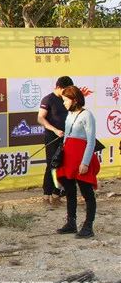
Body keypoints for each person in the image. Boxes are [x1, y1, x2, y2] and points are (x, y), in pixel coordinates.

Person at [55, 85, 101, 238]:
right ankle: (71, 222)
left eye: (66, 100)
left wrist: (85, 162)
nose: (64, 103)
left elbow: (91, 141)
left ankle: (88, 227)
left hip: (81, 160)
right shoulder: (69, 115)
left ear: (74, 100)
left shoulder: (87, 115)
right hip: (68, 159)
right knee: (69, 191)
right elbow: (67, 138)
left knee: (87, 193)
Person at [37, 76, 73, 205]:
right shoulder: (48, 99)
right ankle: (47, 194)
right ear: (58, 87)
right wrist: (55, 130)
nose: (66, 93)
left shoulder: (68, 100)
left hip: (67, 137)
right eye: (65, 90)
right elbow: (41, 118)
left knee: (64, 165)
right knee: (52, 164)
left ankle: (57, 193)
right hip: (52, 137)